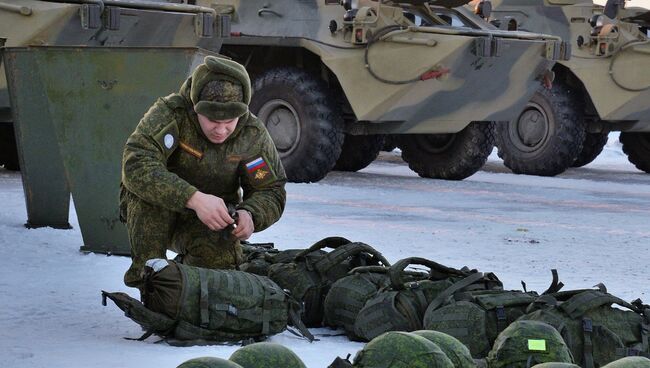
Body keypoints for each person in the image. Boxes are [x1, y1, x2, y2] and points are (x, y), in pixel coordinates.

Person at [119, 56, 286, 289]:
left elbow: (269, 188)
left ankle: (186, 285)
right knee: (148, 199)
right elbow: (137, 164)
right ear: (195, 106)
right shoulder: (172, 114)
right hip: (158, 214)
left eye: (230, 121)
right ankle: (149, 283)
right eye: (212, 120)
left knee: (217, 272)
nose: (221, 130)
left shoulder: (251, 134)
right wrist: (193, 199)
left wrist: (251, 213)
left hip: (212, 221)